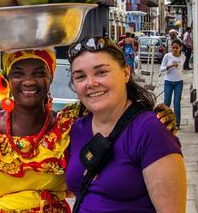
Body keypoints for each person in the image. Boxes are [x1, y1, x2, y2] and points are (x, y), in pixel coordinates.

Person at [0, 49, 176, 212]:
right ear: (6, 81)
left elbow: (117, 118)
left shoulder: (70, 126)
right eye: (19, 73)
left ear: (49, 79)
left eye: (39, 73)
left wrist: (156, 118)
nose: (29, 82)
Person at [65, 37, 187, 213]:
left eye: (101, 72)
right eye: (80, 76)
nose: (90, 83)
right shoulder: (76, 128)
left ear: (126, 73)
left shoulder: (150, 130)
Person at [160, 40, 186, 129]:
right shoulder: (167, 56)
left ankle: (177, 123)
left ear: (180, 48)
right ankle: (166, 122)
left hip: (179, 82)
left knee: (177, 103)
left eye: (177, 48)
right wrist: (170, 66)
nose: (175, 49)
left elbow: (181, 69)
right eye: (173, 47)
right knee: (167, 102)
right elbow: (161, 69)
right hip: (168, 82)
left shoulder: (183, 57)